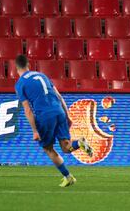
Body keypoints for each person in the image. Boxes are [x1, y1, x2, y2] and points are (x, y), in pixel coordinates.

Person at [14, 55, 93, 187]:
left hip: (45, 116)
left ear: (16, 67)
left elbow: (27, 109)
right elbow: (59, 96)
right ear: (28, 65)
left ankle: (68, 177)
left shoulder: (20, 83)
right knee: (66, 147)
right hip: (59, 111)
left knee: (48, 148)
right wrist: (67, 116)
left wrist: (34, 131)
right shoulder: (42, 76)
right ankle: (79, 142)